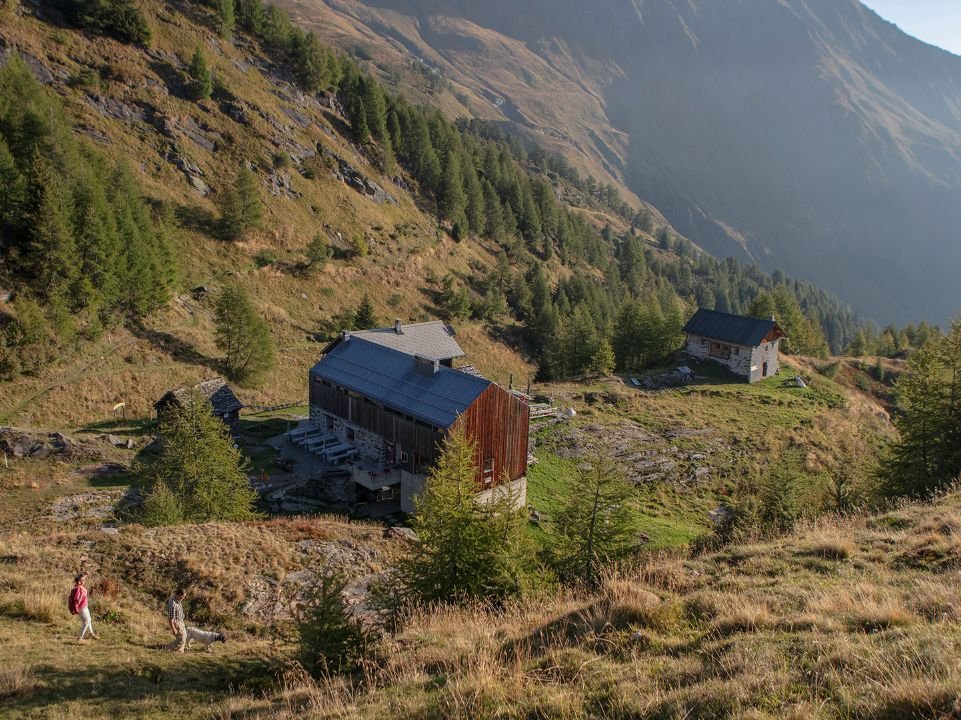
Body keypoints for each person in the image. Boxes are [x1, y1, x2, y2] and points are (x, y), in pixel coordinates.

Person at [70, 573, 99, 641]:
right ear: (79, 582)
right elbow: (76, 600)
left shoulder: (80, 586)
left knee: (89, 620)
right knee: (86, 622)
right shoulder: (78, 589)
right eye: (83, 580)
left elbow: (81, 578)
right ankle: (80, 638)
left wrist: (86, 575)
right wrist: (76, 608)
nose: (84, 581)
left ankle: (91, 634)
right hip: (82, 608)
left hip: (85, 607)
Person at [165, 587, 187, 652]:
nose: (183, 598)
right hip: (176, 623)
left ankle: (180, 651)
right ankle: (167, 648)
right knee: (180, 639)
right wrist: (173, 629)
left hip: (181, 622)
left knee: (184, 637)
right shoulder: (173, 604)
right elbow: (171, 619)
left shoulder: (178, 600)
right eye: (183, 596)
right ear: (179, 595)